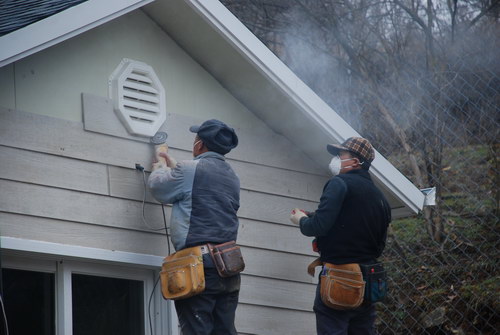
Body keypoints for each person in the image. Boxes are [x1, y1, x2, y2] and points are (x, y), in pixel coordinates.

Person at [290, 137, 391, 335]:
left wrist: (301, 220)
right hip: (370, 281)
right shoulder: (380, 198)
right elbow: (377, 244)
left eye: (340, 155)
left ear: (355, 161)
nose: (336, 159)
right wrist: (313, 215)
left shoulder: (339, 183)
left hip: (340, 279)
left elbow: (318, 226)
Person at [148, 119, 241, 335]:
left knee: (196, 330)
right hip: (228, 265)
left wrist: (160, 168)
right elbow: (199, 191)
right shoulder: (232, 176)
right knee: (224, 330)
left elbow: (158, 188)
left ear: (200, 145)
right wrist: (174, 167)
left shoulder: (190, 169)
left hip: (199, 266)